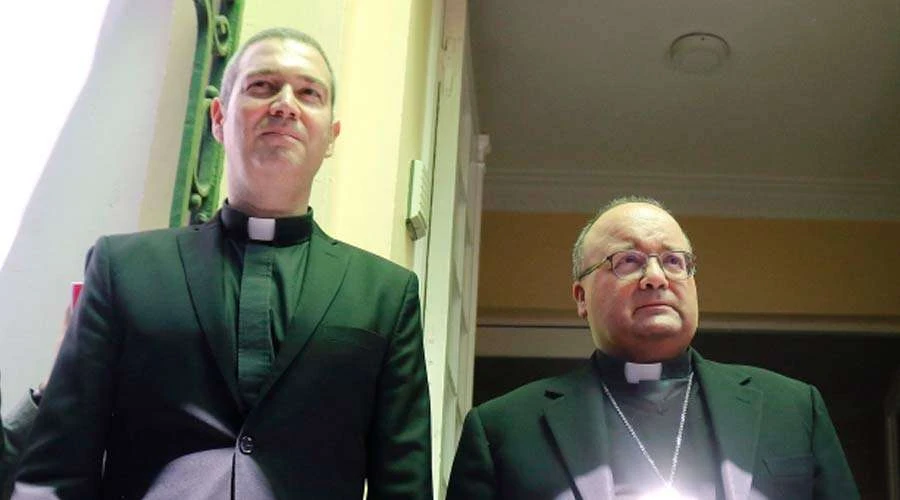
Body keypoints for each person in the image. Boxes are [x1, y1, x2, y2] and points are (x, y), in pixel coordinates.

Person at [13, 28, 431, 499]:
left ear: (331, 136)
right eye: (262, 86)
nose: (285, 104)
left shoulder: (386, 294)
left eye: (309, 93)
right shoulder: (121, 269)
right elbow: (56, 470)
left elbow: (404, 486)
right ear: (218, 117)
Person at [447, 197, 857, 499]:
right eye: (627, 261)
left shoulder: (793, 408)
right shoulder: (503, 429)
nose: (656, 277)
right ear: (581, 297)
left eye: (674, 261)